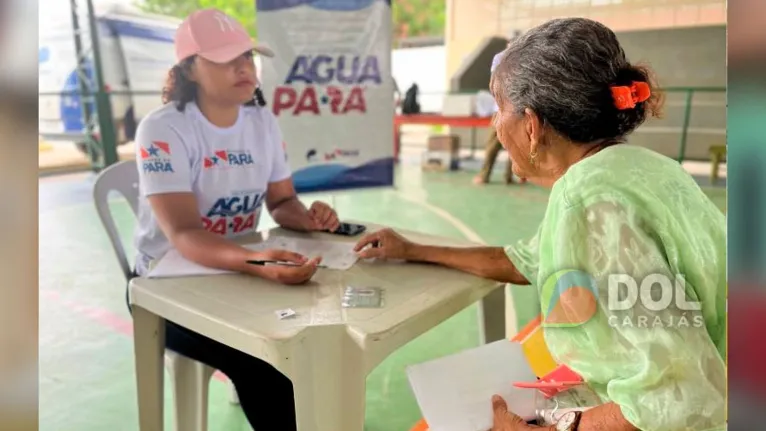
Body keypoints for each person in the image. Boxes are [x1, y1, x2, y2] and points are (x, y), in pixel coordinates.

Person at [356, 18, 725, 431]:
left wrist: (559, 427)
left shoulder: (590, 201)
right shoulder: (643, 169)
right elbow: (530, 260)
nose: (496, 124)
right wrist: (411, 249)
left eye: (500, 109)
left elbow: (678, 397)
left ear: (531, 126)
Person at [130, 8, 340, 430]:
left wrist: (307, 219)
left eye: (248, 56)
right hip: (168, 289)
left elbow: (281, 201)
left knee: (321, 332)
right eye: (228, 59)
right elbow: (185, 234)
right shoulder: (163, 129)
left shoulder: (261, 120)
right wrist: (256, 262)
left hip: (237, 274)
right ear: (189, 67)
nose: (244, 67)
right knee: (265, 360)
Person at [474, 36, 526, 185]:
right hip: (503, 109)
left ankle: (509, 176)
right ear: (509, 44)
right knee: (495, 144)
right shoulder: (501, 58)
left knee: (514, 145)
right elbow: (495, 83)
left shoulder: (523, 60)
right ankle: (486, 175)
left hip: (516, 110)